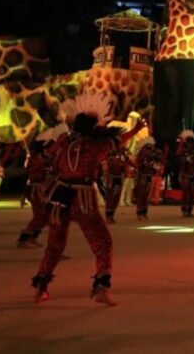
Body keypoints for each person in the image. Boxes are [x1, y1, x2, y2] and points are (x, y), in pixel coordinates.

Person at [31, 93, 145, 304]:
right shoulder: (96, 145)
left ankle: (41, 287)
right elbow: (118, 140)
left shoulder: (65, 140)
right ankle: (101, 288)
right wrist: (136, 130)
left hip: (59, 196)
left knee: (55, 244)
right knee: (102, 243)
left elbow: (44, 157)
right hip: (82, 198)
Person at [17, 138, 53, 246]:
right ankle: (23, 239)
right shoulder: (35, 159)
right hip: (36, 190)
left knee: (45, 217)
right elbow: (33, 175)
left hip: (40, 189)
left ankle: (32, 237)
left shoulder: (38, 159)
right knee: (39, 216)